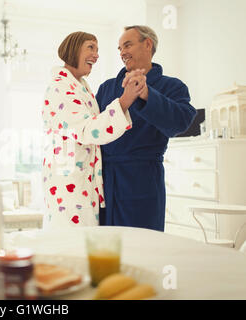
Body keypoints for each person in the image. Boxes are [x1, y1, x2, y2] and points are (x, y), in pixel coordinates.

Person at [96, 25, 197, 231]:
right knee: (104, 247)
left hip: (142, 181)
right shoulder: (106, 88)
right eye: (119, 48)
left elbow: (181, 122)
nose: (122, 52)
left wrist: (147, 94)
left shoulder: (172, 87)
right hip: (105, 182)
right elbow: (92, 129)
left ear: (148, 44)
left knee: (143, 246)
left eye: (128, 45)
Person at [42, 31, 146, 229]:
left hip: (82, 180)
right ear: (73, 49)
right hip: (68, 182)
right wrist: (125, 101)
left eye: (97, 50)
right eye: (90, 47)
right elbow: (88, 130)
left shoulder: (80, 86)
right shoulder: (60, 88)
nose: (96, 55)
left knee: (83, 242)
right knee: (73, 245)